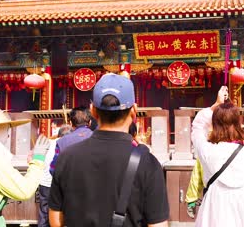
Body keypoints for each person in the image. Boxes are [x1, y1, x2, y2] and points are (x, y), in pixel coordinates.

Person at [49, 73, 169, 227]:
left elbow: (55, 219)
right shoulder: (148, 163)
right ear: (134, 111)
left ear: (92, 111)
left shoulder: (66, 157)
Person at [191, 86, 244, 227]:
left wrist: (216, 105)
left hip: (216, 208)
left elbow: (198, 126)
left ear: (214, 125)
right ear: (239, 123)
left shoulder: (208, 151)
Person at [37, 124, 72, 227]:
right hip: (58, 184)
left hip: (44, 183)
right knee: (59, 213)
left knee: (44, 213)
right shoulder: (67, 146)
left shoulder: (48, 143)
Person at [49, 106, 93, 175]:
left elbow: (53, 169)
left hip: (68, 183)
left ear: (71, 123)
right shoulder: (100, 139)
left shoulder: (62, 142)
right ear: (90, 122)